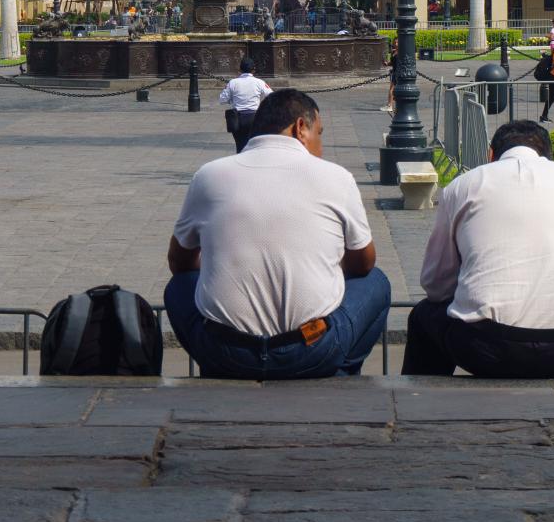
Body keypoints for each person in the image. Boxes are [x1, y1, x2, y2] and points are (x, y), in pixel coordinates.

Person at [165, 89, 391, 379]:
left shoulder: (208, 175)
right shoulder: (336, 177)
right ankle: (341, 372)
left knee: (178, 287)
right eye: (318, 134)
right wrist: (324, 264)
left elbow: (179, 263)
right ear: (300, 128)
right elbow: (364, 263)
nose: (321, 147)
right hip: (310, 348)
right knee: (377, 282)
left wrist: (219, 263)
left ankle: (216, 370)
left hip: (226, 351)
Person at [401, 120, 554, 379]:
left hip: (489, 348)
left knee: (424, 316)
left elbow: (435, 284)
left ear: (491, 155)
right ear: (549, 155)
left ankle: (420, 406)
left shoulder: (464, 185)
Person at [219, 57, 272, 152]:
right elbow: (271, 95)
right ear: (253, 70)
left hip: (237, 118)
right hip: (254, 118)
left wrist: (232, 100)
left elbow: (222, 99)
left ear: (240, 70)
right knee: (254, 146)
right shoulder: (259, 82)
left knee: (240, 145)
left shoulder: (233, 82)